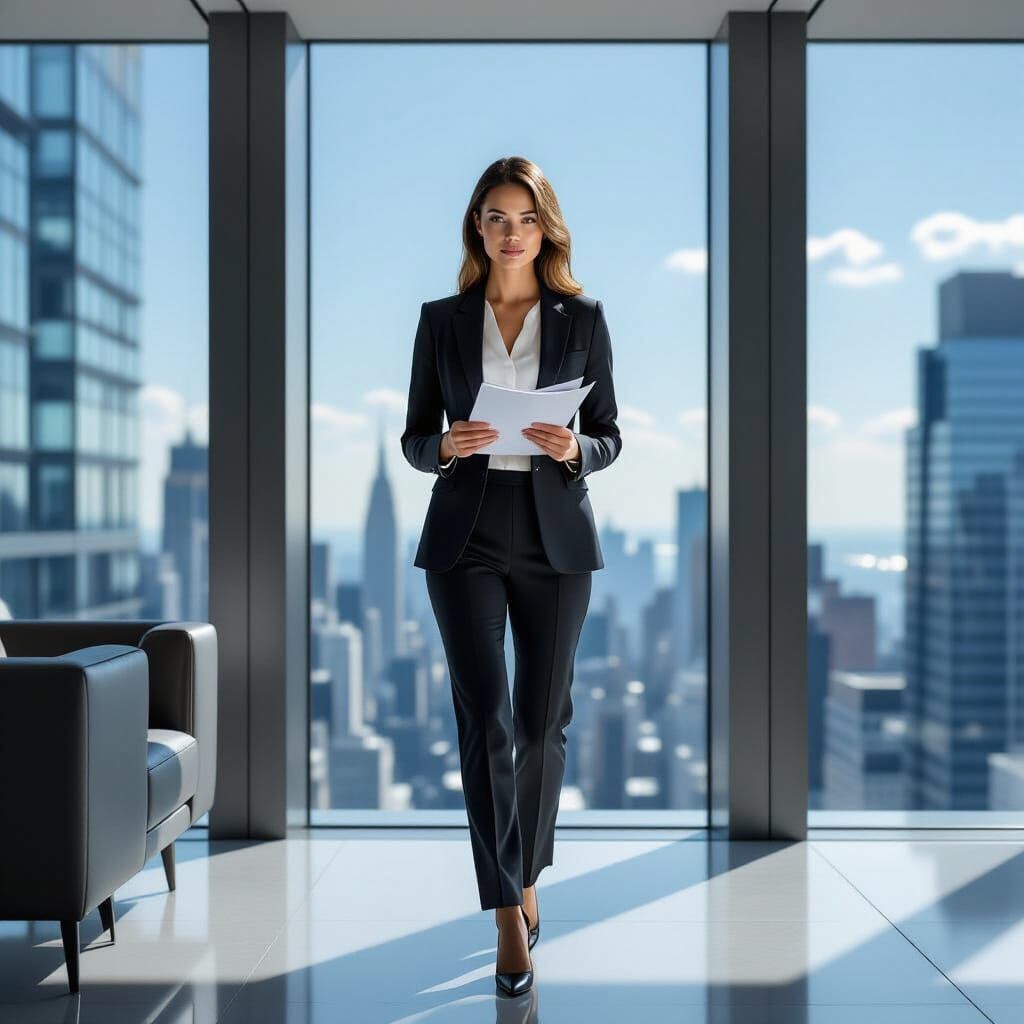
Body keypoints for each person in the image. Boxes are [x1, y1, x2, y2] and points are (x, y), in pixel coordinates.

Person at [400, 155, 621, 997]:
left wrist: (579, 448)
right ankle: (505, 916)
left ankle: (527, 874)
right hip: (468, 533)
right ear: (478, 228)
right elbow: (416, 436)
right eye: (496, 217)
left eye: (525, 218)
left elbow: (609, 432)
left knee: (542, 722)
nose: (511, 232)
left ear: (545, 228)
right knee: (484, 718)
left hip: (555, 536)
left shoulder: (583, 317)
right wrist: (443, 445)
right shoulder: (442, 320)